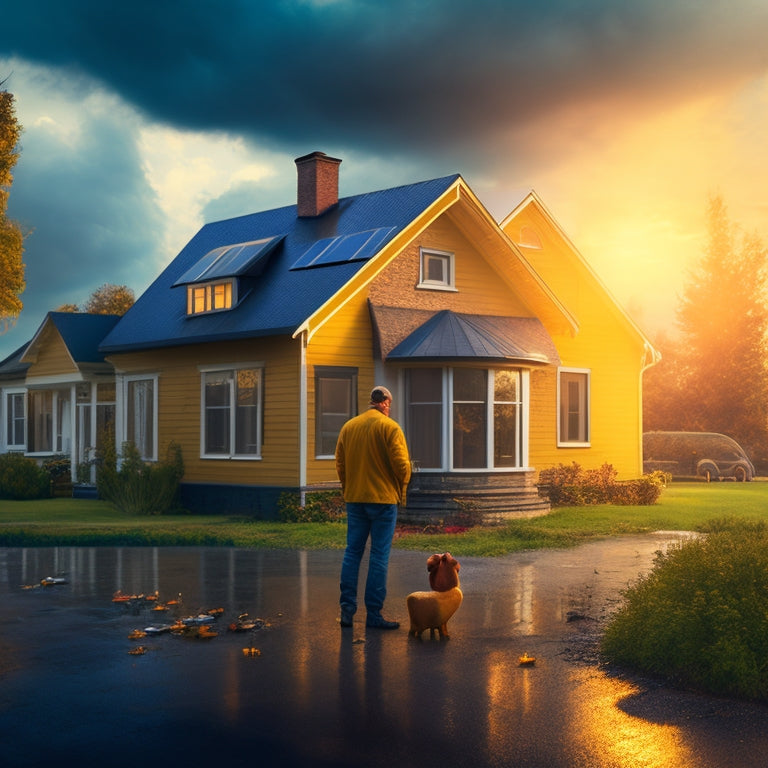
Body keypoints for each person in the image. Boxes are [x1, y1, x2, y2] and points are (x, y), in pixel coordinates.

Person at [336, 385, 412, 629]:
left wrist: (349, 486)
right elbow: (401, 465)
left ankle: (347, 611)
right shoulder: (390, 428)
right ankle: (374, 615)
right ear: (386, 403)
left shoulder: (349, 427)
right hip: (383, 500)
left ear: (371, 401)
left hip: (355, 499)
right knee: (379, 556)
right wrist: (403, 484)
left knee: (352, 552)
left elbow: (340, 462)